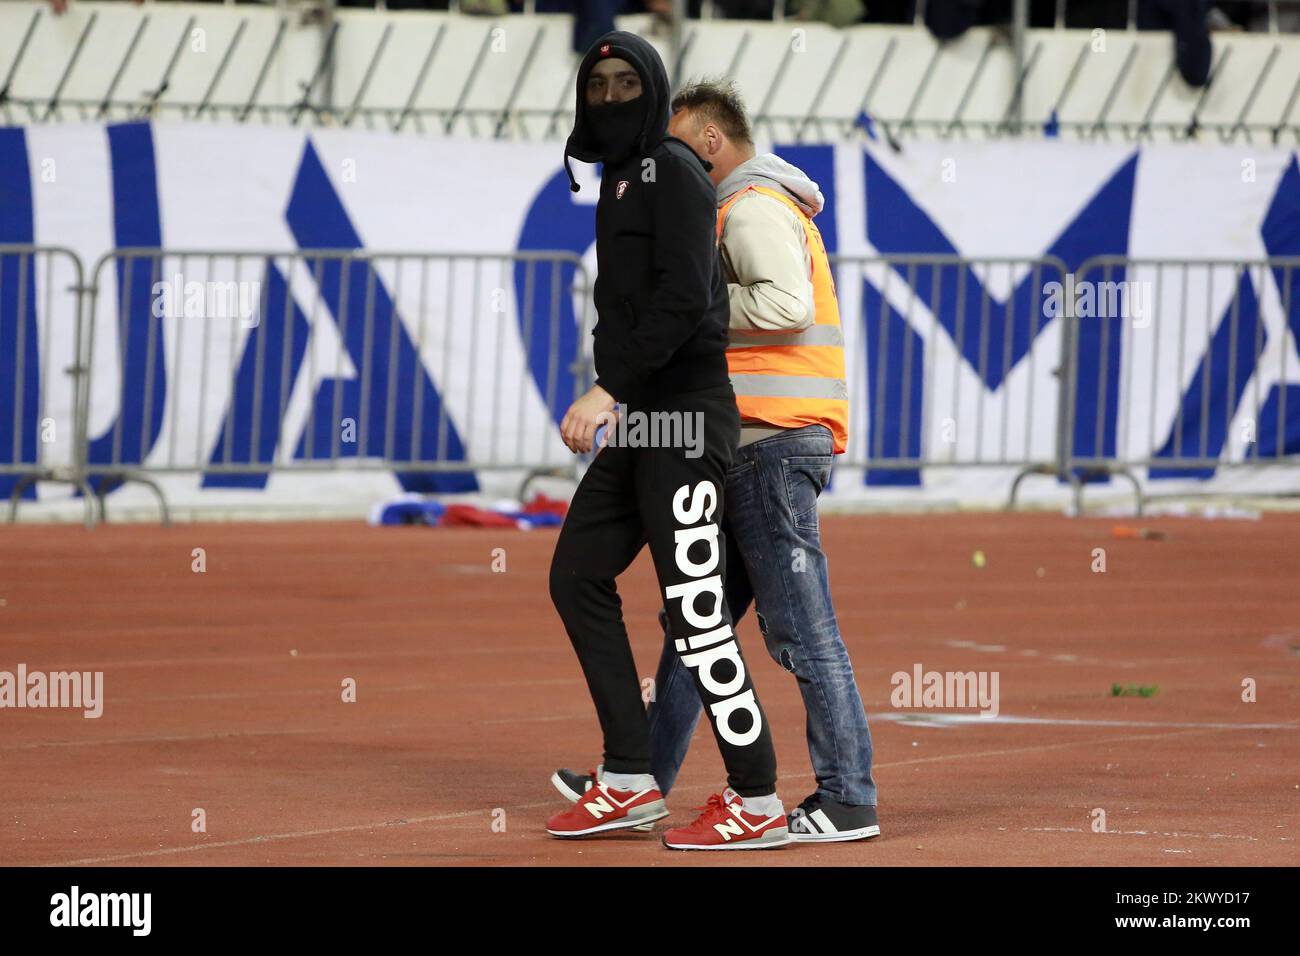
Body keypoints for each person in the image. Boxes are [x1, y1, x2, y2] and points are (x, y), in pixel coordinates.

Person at [553, 78, 879, 842]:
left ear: (708, 140)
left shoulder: (753, 206)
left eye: (677, 140)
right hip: (749, 438)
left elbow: (786, 306)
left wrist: (691, 305)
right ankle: (640, 777)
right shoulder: (731, 207)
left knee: (799, 630)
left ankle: (848, 795)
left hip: (773, 438)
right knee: (696, 622)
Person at [543, 34, 790, 851]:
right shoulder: (617, 180)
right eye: (598, 85)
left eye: (626, 83)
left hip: (684, 421)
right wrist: (619, 388)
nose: (611, 98)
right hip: (646, 421)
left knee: (695, 611)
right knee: (577, 573)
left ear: (652, 90)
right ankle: (629, 778)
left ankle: (755, 797)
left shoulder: (674, 171)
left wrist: (608, 389)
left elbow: (690, 295)